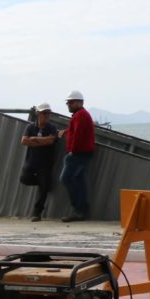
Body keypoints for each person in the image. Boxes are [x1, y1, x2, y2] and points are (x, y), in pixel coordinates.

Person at [57, 90, 95, 222]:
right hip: (83, 153)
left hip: (78, 153)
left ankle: (78, 210)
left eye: (71, 102)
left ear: (79, 102)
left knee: (66, 178)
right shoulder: (81, 115)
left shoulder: (80, 115)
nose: (68, 104)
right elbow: (75, 131)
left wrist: (72, 151)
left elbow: (78, 134)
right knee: (79, 180)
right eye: (68, 102)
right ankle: (82, 210)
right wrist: (66, 132)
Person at [20, 102, 59, 222]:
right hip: (31, 161)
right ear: (38, 114)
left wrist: (35, 139)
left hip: (45, 163)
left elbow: (51, 141)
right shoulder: (31, 127)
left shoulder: (51, 128)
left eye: (48, 113)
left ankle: (37, 213)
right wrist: (42, 141)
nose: (47, 115)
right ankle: (45, 183)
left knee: (43, 190)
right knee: (24, 178)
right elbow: (24, 141)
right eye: (44, 113)